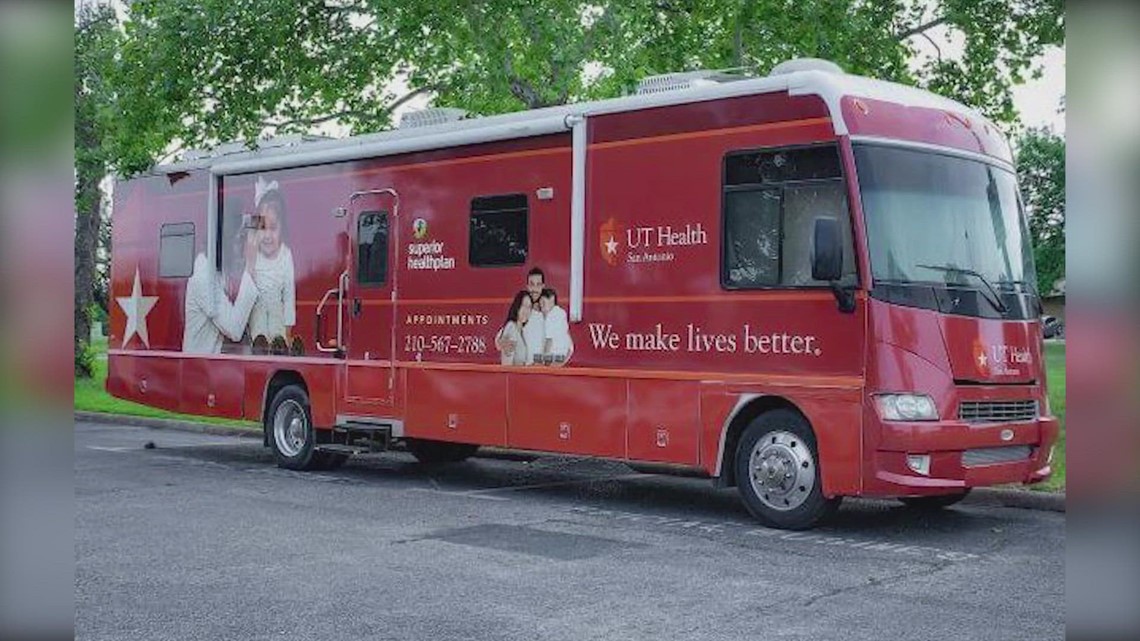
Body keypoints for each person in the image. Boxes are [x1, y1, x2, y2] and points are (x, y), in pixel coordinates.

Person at [182, 219, 259, 355]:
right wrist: (250, 264)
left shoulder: (218, 271)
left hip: (214, 367)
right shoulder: (203, 276)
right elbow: (234, 328)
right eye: (239, 239)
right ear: (227, 239)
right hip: (201, 369)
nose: (242, 247)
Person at [246, 177, 296, 344]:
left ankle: (278, 342)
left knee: (277, 320)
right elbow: (248, 284)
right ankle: (258, 342)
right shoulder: (254, 254)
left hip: (276, 306)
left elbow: (289, 294)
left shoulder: (286, 254)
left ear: (282, 228)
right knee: (257, 317)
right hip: (257, 305)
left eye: (273, 228)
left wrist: (289, 327)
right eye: (262, 228)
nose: (267, 235)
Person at [497, 290, 532, 366]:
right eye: (524, 305)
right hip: (512, 376)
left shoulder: (521, 330)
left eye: (529, 307)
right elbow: (507, 363)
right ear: (517, 306)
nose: (526, 311)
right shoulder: (511, 327)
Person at [539, 287, 573, 365]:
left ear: (552, 301)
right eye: (540, 302)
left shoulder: (551, 316)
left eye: (543, 302)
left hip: (556, 354)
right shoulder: (561, 312)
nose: (541, 305)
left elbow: (549, 341)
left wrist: (545, 362)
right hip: (566, 351)